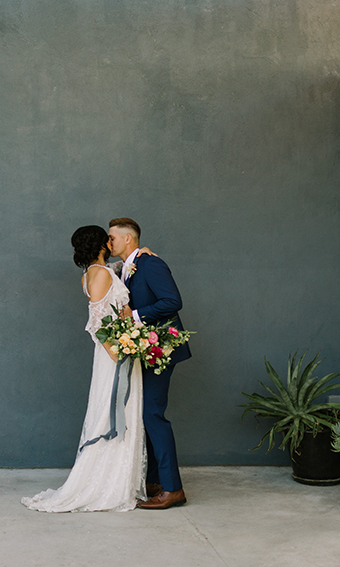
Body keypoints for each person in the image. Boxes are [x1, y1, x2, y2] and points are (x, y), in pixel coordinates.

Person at [22, 225, 146, 512]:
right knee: (113, 411)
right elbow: (98, 323)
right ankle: (106, 484)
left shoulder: (100, 271)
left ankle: (121, 480)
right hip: (115, 354)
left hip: (122, 348)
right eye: (108, 237)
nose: (110, 240)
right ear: (101, 242)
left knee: (124, 412)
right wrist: (121, 354)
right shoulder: (99, 274)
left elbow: (118, 271)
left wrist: (142, 254)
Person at [108, 217, 192, 510]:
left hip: (161, 350)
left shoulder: (151, 263)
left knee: (153, 415)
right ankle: (155, 482)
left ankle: (173, 489)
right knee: (145, 415)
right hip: (144, 351)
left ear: (129, 239)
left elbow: (172, 301)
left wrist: (134, 316)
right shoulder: (126, 267)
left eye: (113, 238)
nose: (109, 243)